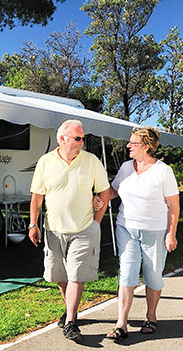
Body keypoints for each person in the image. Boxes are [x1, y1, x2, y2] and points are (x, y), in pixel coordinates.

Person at [28, 119, 111, 343]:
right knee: (60, 276)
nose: (81, 142)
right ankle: (70, 309)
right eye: (77, 138)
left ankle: (71, 321)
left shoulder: (91, 161)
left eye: (83, 138)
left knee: (76, 275)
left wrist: (96, 221)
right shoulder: (45, 162)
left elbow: (104, 192)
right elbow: (37, 196)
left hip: (84, 229)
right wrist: (33, 223)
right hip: (53, 230)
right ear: (62, 139)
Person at [99, 127, 180, 341]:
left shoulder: (163, 171)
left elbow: (173, 205)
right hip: (126, 227)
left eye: (133, 143)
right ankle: (121, 323)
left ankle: (151, 317)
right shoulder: (126, 167)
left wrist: (171, 233)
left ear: (146, 147)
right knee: (126, 274)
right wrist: (101, 197)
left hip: (155, 230)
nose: (128, 146)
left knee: (153, 275)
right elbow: (114, 190)